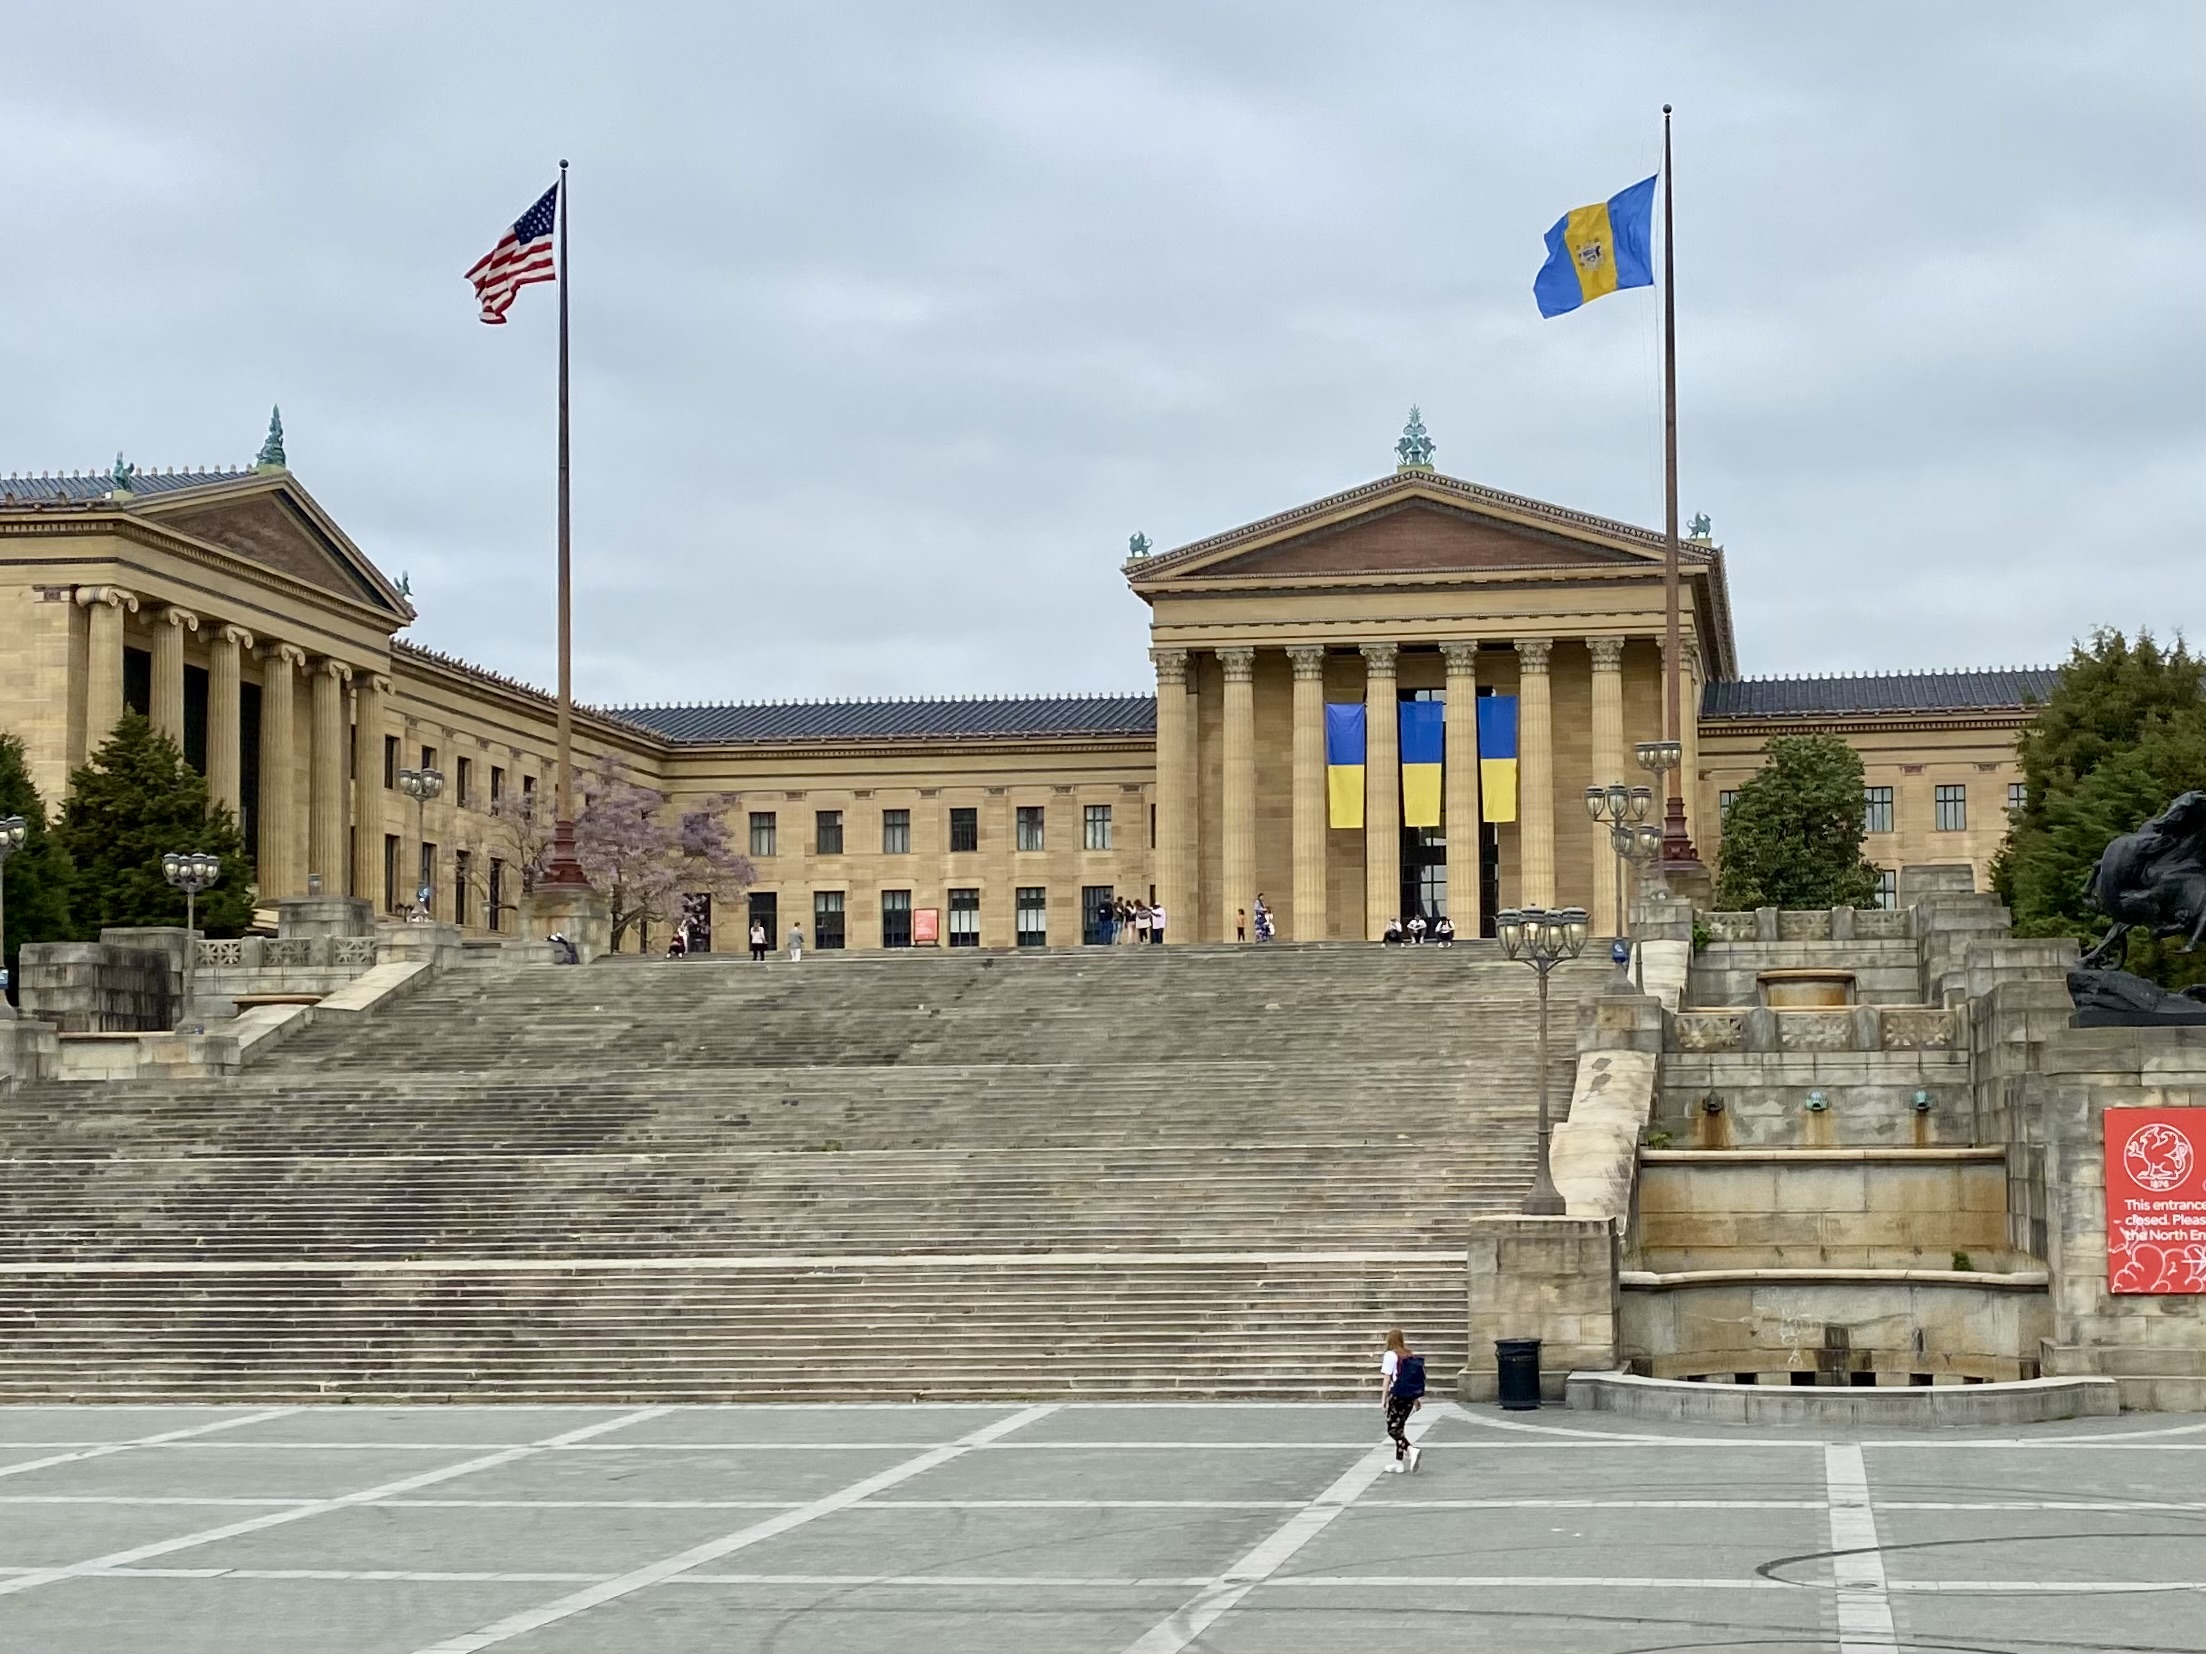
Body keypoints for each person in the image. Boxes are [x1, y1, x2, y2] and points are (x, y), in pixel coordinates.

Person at [1379, 1328, 1425, 1474]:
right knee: (1400, 1428)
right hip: (1409, 1397)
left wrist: (1383, 1399)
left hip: (1397, 1395)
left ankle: (1411, 1450)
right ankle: (1398, 1463)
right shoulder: (1408, 1355)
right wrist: (1416, 1399)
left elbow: (1387, 1379)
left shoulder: (1390, 1355)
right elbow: (1411, 1378)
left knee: (1392, 1429)